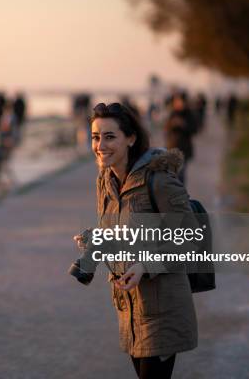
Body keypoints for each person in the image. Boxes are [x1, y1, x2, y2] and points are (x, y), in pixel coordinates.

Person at [72, 102, 197, 379]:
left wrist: (143, 266)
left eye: (110, 136)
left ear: (131, 138)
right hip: (128, 307)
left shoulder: (159, 180)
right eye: (95, 137)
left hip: (162, 306)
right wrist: (96, 241)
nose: (100, 145)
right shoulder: (105, 180)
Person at [164, 93, 197, 184]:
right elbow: (166, 129)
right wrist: (172, 124)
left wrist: (183, 124)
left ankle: (181, 194)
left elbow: (195, 129)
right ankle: (174, 194)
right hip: (172, 148)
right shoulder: (172, 113)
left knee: (181, 174)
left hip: (184, 149)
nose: (178, 103)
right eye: (176, 101)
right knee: (171, 174)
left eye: (180, 101)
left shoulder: (189, 114)